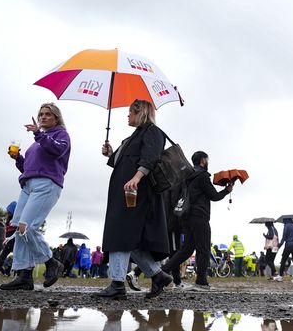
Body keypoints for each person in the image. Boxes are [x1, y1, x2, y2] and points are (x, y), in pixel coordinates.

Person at [94, 99, 172, 300]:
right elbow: (124, 162)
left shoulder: (152, 132)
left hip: (138, 192)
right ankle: (158, 275)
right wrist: (111, 154)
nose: (127, 116)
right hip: (125, 192)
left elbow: (150, 157)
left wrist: (137, 177)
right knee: (131, 239)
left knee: (121, 233)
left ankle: (118, 284)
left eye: (130, 112)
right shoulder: (132, 137)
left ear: (140, 112)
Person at [0, 103, 70, 291]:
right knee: (17, 227)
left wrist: (39, 133)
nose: (43, 117)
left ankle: (51, 262)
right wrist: (18, 159)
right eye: (41, 114)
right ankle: (24, 275)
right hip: (28, 185)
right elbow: (27, 169)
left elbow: (57, 151)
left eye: (48, 114)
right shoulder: (36, 143)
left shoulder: (60, 135)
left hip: (46, 184)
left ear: (56, 118)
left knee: (26, 227)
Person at [161, 150, 232, 291]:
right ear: (202, 161)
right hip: (199, 217)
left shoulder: (186, 175)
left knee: (186, 249)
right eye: (207, 159)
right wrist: (227, 190)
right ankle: (201, 282)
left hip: (186, 217)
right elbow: (214, 196)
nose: (208, 162)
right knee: (203, 249)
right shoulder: (202, 176)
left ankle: (162, 272)